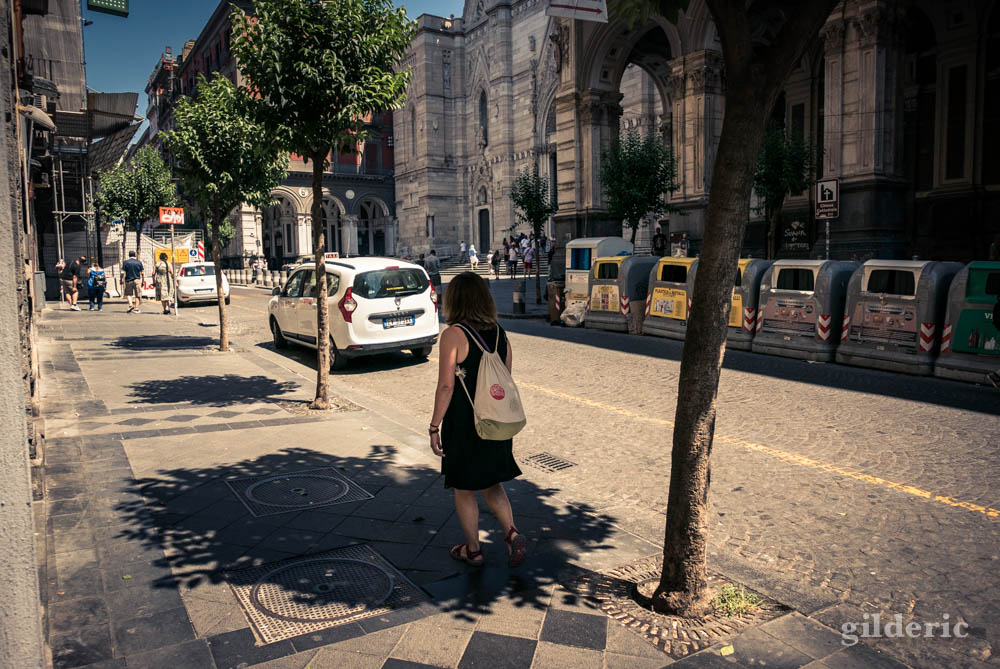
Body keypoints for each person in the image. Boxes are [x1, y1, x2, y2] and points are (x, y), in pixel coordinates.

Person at [429, 271, 527, 568]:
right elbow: (504, 381)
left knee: (463, 487)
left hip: (464, 423)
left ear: (455, 300)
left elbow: (446, 386)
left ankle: (472, 550)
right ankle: (511, 533)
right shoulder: (501, 334)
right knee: (492, 483)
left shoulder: (453, 336)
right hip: (495, 422)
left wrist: (434, 427)